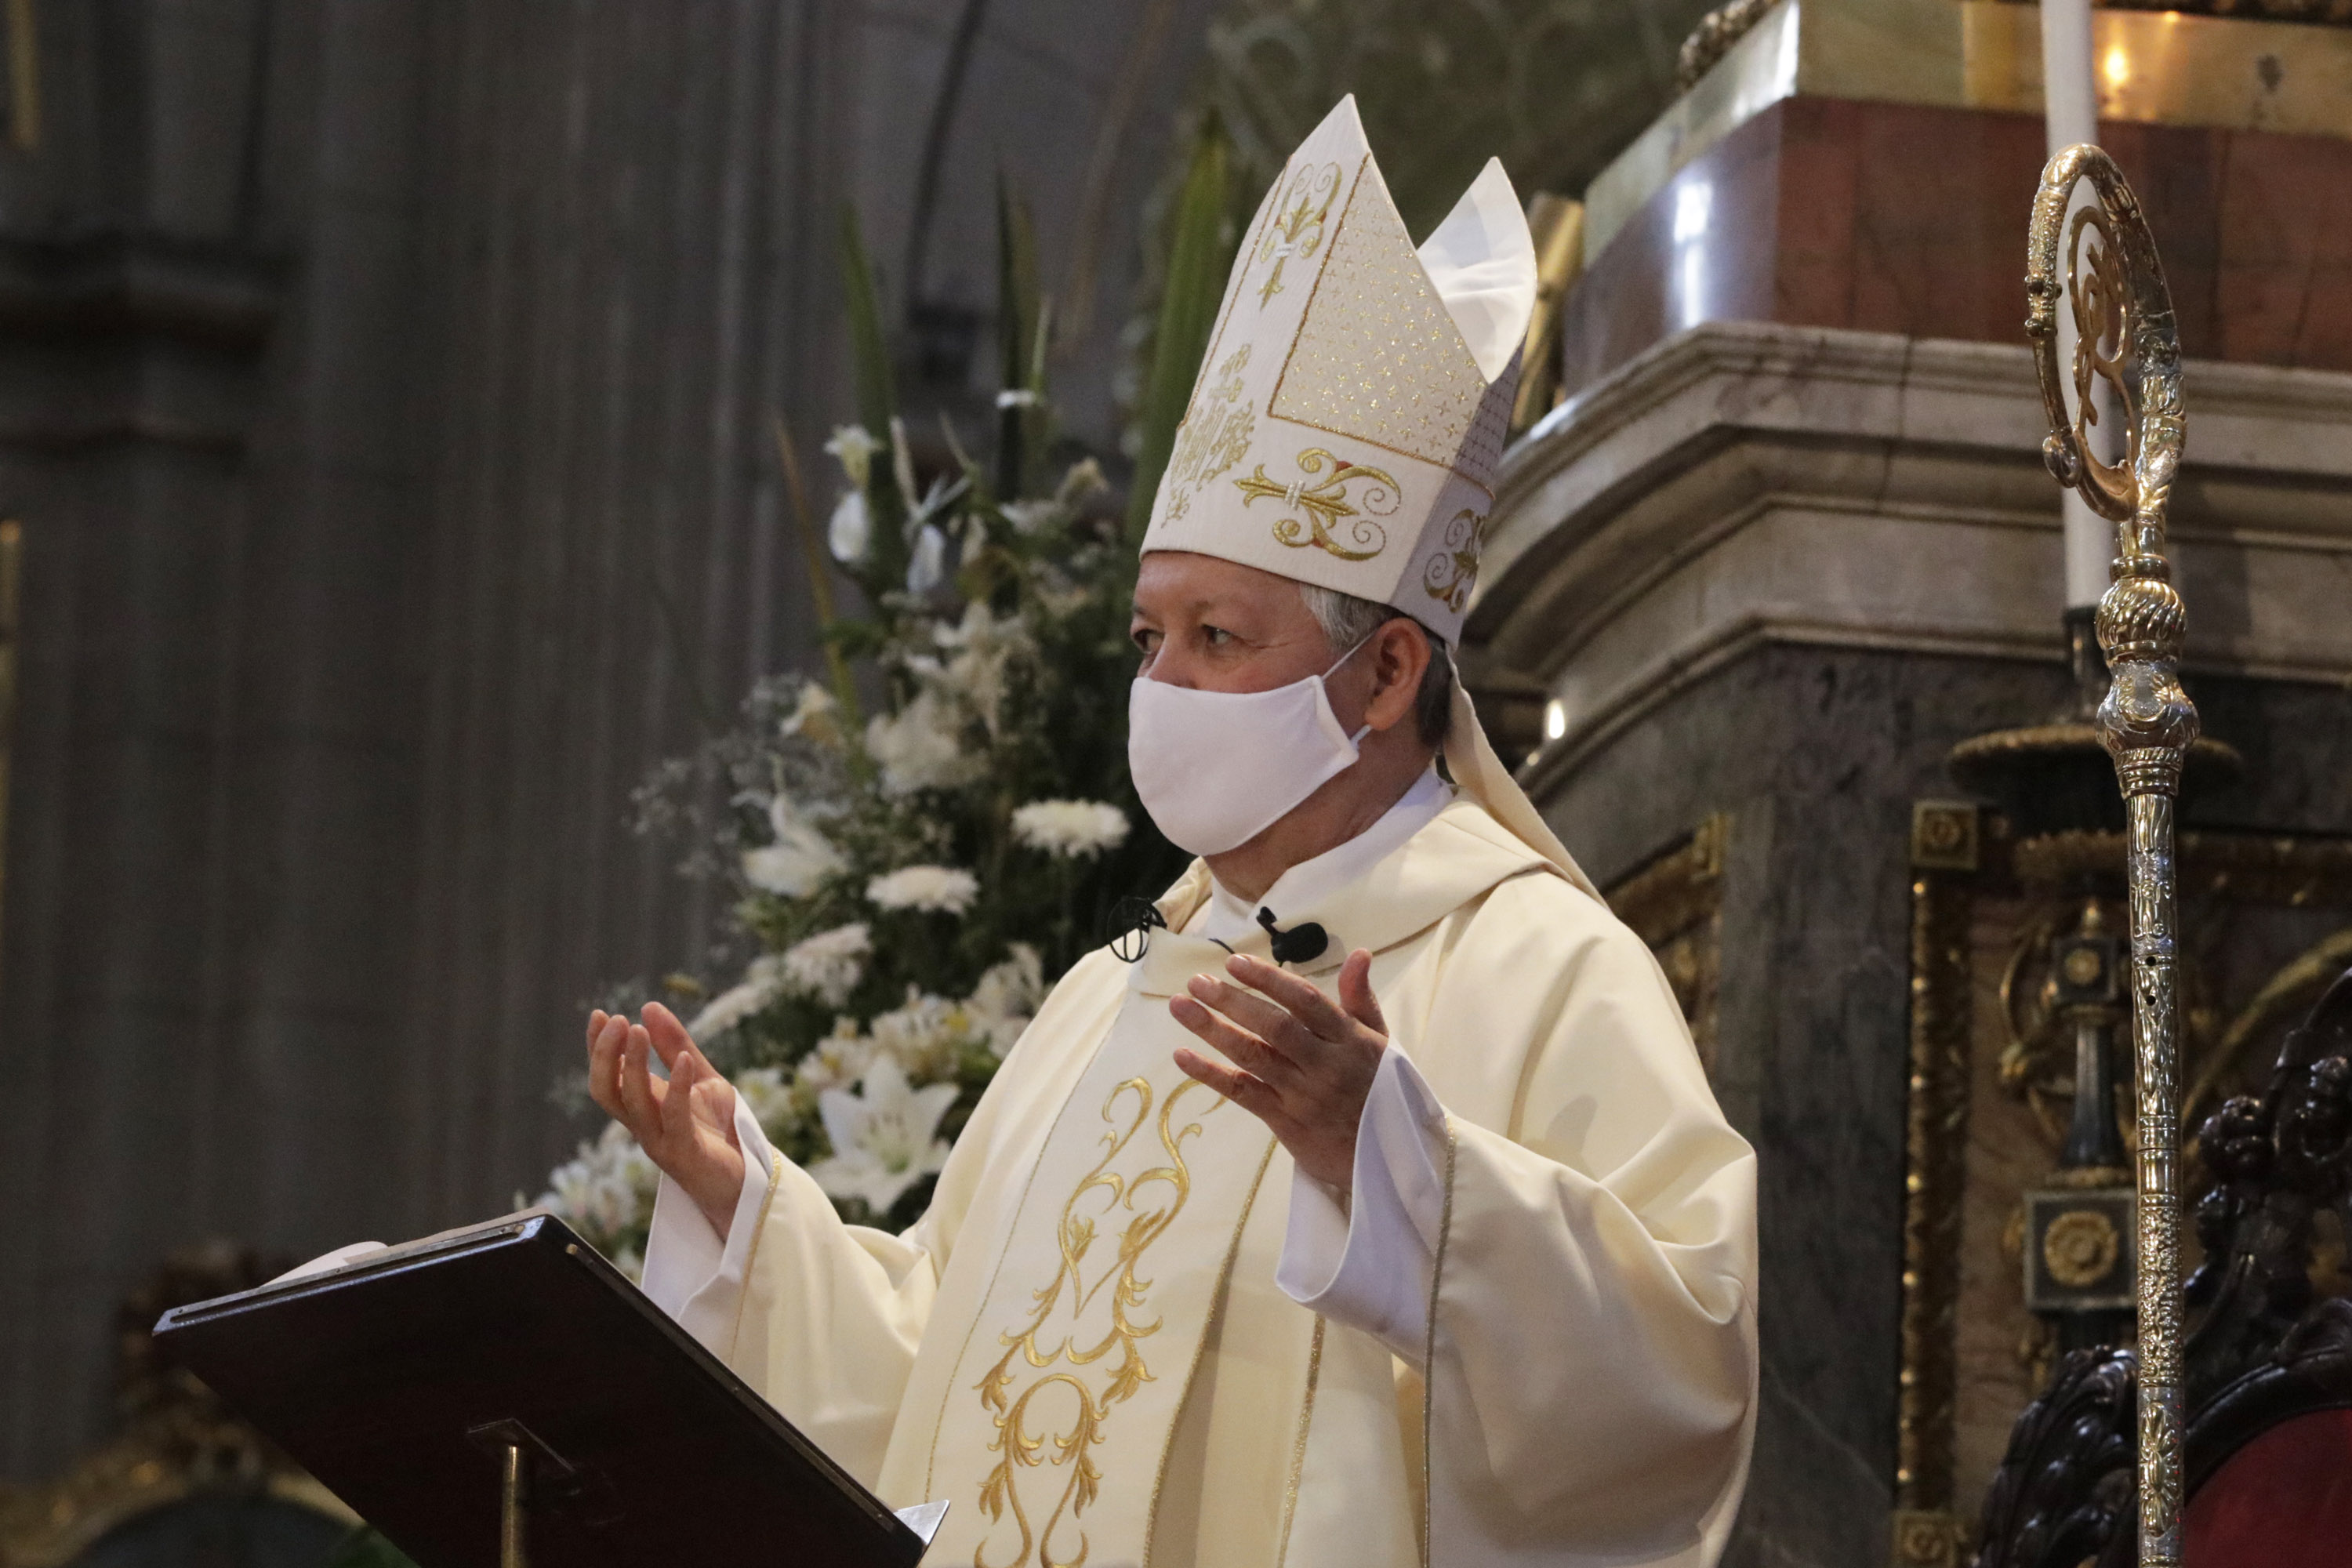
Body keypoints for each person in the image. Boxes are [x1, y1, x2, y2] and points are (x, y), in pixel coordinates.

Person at [590, 96, 1757, 1568]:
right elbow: (939, 1375)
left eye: (1220, 637)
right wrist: (748, 1214)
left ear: (1388, 672)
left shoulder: (1537, 964)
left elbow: (1683, 1379)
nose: (1167, 689)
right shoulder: (1112, 994)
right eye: (1151, 639)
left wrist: (1398, 1171)